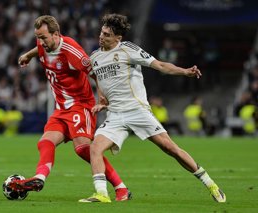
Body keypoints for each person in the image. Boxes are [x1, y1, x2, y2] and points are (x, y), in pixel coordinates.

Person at [79, 14, 226, 203]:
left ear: (118, 38)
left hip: (137, 111)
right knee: (95, 148)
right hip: (115, 114)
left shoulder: (128, 50)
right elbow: (99, 78)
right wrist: (102, 99)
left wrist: (184, 71)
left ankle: (211, 184)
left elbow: (160, 65)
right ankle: (102, 194)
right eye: (102, 32)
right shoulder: (95, 57)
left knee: (170, 148)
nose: (102, 37)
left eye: (107, 35)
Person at [8, 15, 131, 201]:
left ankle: (121, 188)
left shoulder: (71, 50)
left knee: (83, 149)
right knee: (45, 142)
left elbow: (95, 73)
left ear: (56, 34)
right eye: (37, 37)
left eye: (43, 37)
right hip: (61, 108)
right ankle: (39, 178)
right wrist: (28, 55)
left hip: (81, 106)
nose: (40, 42)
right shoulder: (44, 44)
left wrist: (101, 98)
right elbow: (39, 48)